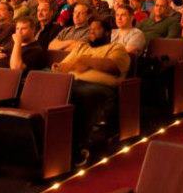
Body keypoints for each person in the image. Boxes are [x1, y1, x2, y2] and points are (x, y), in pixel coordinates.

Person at [55, 19, 130, 165]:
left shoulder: (116, 48)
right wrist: (75, 63)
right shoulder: (82, 47)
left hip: (98, 87)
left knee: (78, 95)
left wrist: (85, 61)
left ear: (107, 32)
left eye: (96, 29)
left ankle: (77, 148)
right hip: (72, 82)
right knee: (51, 90)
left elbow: (113, 67)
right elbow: (63, 66)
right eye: (90, 29)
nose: (91, 31)